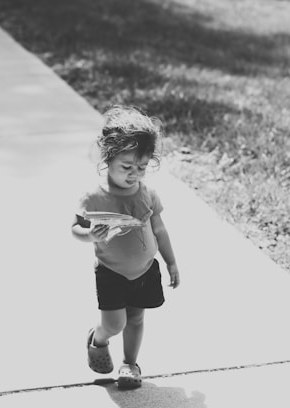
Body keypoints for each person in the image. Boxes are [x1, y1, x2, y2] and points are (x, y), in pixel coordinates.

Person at [71, 105, 180, 389]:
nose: (134, 174)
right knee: (115, 323)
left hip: (144, 270)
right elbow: (76, 228)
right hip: (111, 272)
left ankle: (130, 365)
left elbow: (159, 230)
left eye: (141, 167)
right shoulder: (95, 196)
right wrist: (90, 235)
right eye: (127, 167)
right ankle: (99, 339)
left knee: (136, 319)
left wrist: (171, 262)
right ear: (108, 159)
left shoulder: (147, 195)